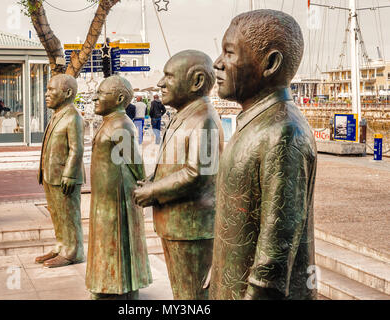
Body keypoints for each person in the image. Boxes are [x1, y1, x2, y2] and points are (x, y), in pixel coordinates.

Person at [208, 10, 317, 300]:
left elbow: (276, 248)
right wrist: (218, 265)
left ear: (269, 64)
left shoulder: (283, 131)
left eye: (229, 53)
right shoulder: (257, 123)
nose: (217, 64)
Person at [133, 50, 224, 300]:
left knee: (192, 295)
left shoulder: (203, 118)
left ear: (196, 81)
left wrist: (153, 191)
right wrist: (154, 179)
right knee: (182, 292)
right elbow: (175, 162)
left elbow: (197, 173)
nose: (161, 83)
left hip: (192, 225)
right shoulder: (183, 115)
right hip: (178, 222)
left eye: (169, 76)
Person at [86, 75, 152, 300]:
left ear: (120, 98)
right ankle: (106, 284)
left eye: (101, 94)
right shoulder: (110, 122)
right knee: (106, 243)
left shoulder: (121, 124)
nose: (95, 97)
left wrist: (143, 186)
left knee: (117, 242)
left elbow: (135, 164)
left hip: (117, 199)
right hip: (105, 198)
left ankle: (120, 288)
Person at [36, 74, 85, 268]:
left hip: (66, 177)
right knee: (57, 214)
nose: (47, 94)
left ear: (67, 93)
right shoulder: (57, 115)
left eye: (51, 90)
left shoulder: (73, 117)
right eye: (47, 89)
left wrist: (70, 174)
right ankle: (61, 245)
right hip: (50, 175)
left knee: (69, 216)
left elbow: (77, 148)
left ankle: (73, 251)